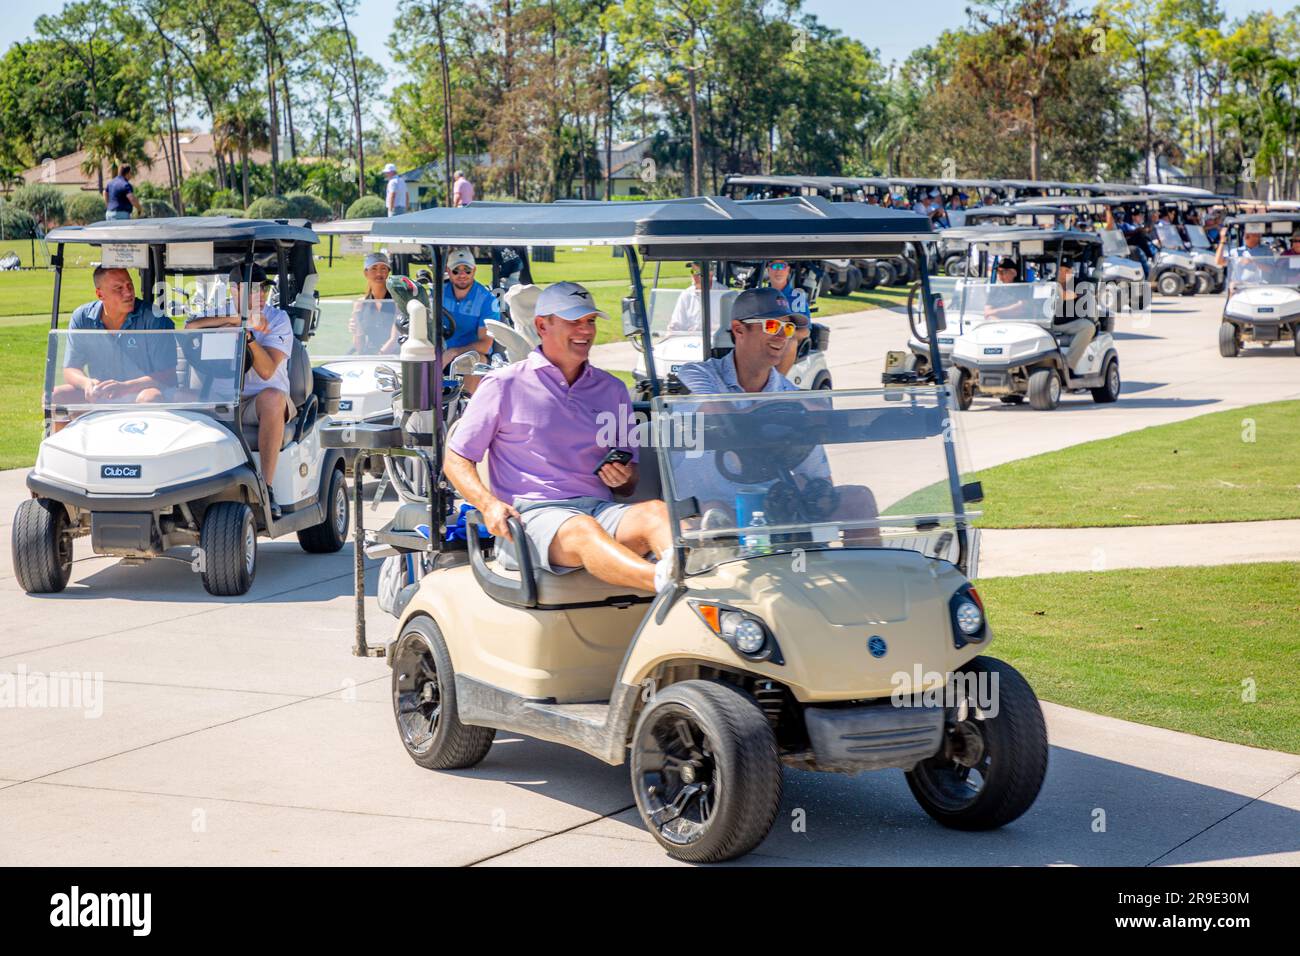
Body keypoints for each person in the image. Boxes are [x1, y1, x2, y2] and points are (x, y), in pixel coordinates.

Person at [443, 280, 674, 593]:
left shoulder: (612, 390)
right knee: (582, 529)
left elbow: (629, 481)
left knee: (657, 512)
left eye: (590, 321)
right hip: (529, 520)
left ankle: (685, 576)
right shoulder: (503, 385)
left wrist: (623, 478)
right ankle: (673, 585)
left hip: (599, 510)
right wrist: (488, 505)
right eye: (573, 322)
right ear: (542, 325)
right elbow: (456, 459)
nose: (586, 331)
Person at [675, 287, 880, 546]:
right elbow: (721, 417)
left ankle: (870, 581)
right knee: (716, 515)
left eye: (789, 328)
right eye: (772, 326)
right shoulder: (698, 375)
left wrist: (811, 486)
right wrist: (788, 413)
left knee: (858, 500)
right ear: (739, 330)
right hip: (705, 509)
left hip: (771, 510)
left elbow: (819, 479)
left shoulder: (790, 395)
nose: (783, 336)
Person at [186, 265, 294, 516]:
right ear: (234, 290)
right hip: (224, 399)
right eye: (254, 289)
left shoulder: (278, 320)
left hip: (261, 400)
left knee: (272, 399)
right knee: (166, 397)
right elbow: (191, 328)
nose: (262, 294)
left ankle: (266, 489)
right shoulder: (218, 312)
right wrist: (238, 321)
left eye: (264, 288)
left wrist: (247, 336)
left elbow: (267, 371)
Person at [52, 266, 176, 430]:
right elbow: (70, 369)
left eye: (129, 286)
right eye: (119, 288)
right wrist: (87, 384)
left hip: (140, 393)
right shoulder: (82, 318)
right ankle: (63, 451)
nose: (128, 293)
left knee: (150, 397)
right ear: (100, 294)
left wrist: (125, 387)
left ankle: (144, 451)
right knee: (56, 395)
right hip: (102, 396)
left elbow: (168, 376)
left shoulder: (154, 318)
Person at [441, 248, 497, 370]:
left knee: (475, 361)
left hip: (469, 355)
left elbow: (485, 345)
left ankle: (468, 390)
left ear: (474, 270)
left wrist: (454, 352)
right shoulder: (438, 294)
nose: (462, 275)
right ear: (448, 271)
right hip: (440, 353)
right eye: (456, 271)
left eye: (467, 270)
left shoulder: (487, 300)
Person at [764, 259, 810, 376]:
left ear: (788, 270)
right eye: (774, 266)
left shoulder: (796, 297)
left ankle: (777, 384)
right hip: (765, 337)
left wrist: (783, 335)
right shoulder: (761, 294)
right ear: (768, 270)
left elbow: (805, 331)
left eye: (782, 266)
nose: (778, 270)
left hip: (787, 338)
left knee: (791, 342)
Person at [349, 252, 399, 354]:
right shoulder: (360, 304)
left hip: (392, 356)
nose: (379, 273)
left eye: (383, 269)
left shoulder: (397, 302)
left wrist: (378, 357)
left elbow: (394, 340)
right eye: (374, 268)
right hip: (369, 356)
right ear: (366, 273)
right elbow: (358, 346)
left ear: (388, 272)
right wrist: (357, 331)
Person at [1052, 263, 1095, 370]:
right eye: (1060, 270)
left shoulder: (1079, 284)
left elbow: (1069, 295)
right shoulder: (1049, 283)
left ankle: (1068, 365)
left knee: (1089, 327)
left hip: (1070, 323)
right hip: (1050, 323)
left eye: (1066, 271)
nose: (1062, 274)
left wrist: (1058, 292)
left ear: (1072, 272)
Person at [667, 261, 704, 332]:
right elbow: (678, 321)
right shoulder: (686, 294)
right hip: (690, 339)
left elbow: (727, 325)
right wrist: (674, 326)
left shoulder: (722, 292)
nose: (694, 276)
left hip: (716, 340)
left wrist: (703, 328)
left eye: (698, 273)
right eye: (692, 271)